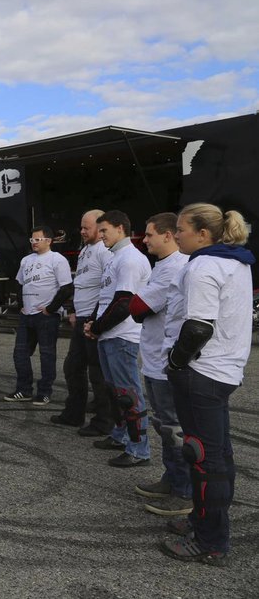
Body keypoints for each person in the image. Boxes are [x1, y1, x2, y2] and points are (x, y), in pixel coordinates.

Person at [158, 203, 253, 566]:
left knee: (203, 457)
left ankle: (211, 542)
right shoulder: (236, 261)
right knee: (218, 455)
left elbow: (199, 326)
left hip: (202, 373)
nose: (176, 234)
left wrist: (175, 362)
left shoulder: (202, 265)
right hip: (224, 370)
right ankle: (202, 521)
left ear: (203, 234)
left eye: (181, 228)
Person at [128, 213, 191, 516]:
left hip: (166, 362)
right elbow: (139, 308)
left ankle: (184, 491)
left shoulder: (177, 266)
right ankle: (172, 478)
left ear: (168, 235)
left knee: (174, 427)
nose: (145, 239)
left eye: (150, 234)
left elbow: (138, 307)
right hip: (152, 358)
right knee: (163, 425)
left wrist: (138, 303)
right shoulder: (161, 266)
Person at [84, 210, 151, 467]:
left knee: (128, 393)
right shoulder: (114, 258)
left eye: (104, 231)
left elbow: (124, 303)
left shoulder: (131, 259)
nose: (100, 237)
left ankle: (139, 450)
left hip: (123, 336)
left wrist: (97, 327)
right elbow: (106, 298)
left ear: (120, 228)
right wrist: (94, 323)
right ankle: (121, 436)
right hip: (109, 335)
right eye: (99, 231)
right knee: (114, 391)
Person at [53, 210, 115, 435]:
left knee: (97, 373)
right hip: (81, 318)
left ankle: (103, 421)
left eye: (86, 227)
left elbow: (108, 288)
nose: (81, 231)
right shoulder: (85, 250)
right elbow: (80, 283)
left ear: (100, 228)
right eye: (81, 227)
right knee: (73, 367)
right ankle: (74, 413)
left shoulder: (105, 252)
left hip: (94, 320)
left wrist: (95, 319)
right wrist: (72, 310)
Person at [4, 226, 73, 405]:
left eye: (37, 239)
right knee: (20, 353)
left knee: (47, 354)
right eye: (32, 240)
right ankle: (24, 389)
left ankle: (44, 392)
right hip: (27, 315)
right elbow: (19, 283)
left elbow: (66, 287)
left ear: (48, 241)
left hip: (46, 317)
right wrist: (21, 305)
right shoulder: (26, 260)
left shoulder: (57, 259)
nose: (34, 243)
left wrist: (51, 309)